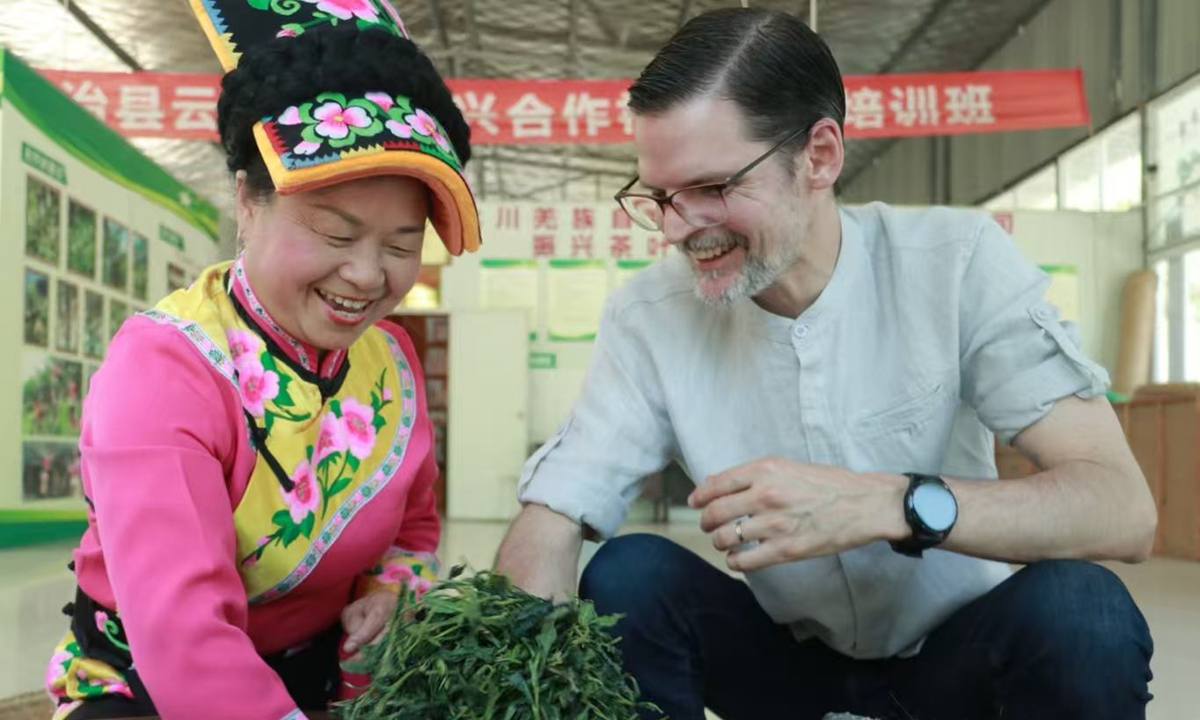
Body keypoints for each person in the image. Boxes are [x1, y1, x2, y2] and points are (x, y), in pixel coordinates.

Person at [495, 8, 1156, 720]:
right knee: (630, 577)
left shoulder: (955, 263)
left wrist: (887, 503)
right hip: (784, 666)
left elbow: (1121, 509)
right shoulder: (651, 315)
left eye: (714, 188)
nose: (680, 230)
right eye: (661, 197)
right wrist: (502, 663)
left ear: (819, 156)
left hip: (954, 665)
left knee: (1083, 611)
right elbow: (555, 511)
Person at [43, 2, 480, 718]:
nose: (369, 277)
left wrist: (390, 591)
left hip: (330, 677)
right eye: (337, 234)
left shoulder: (391, 361)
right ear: (246, 199)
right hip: (157, 683)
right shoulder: (167, 367)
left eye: (401, 245)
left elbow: (413, 528)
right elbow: (184, 634)